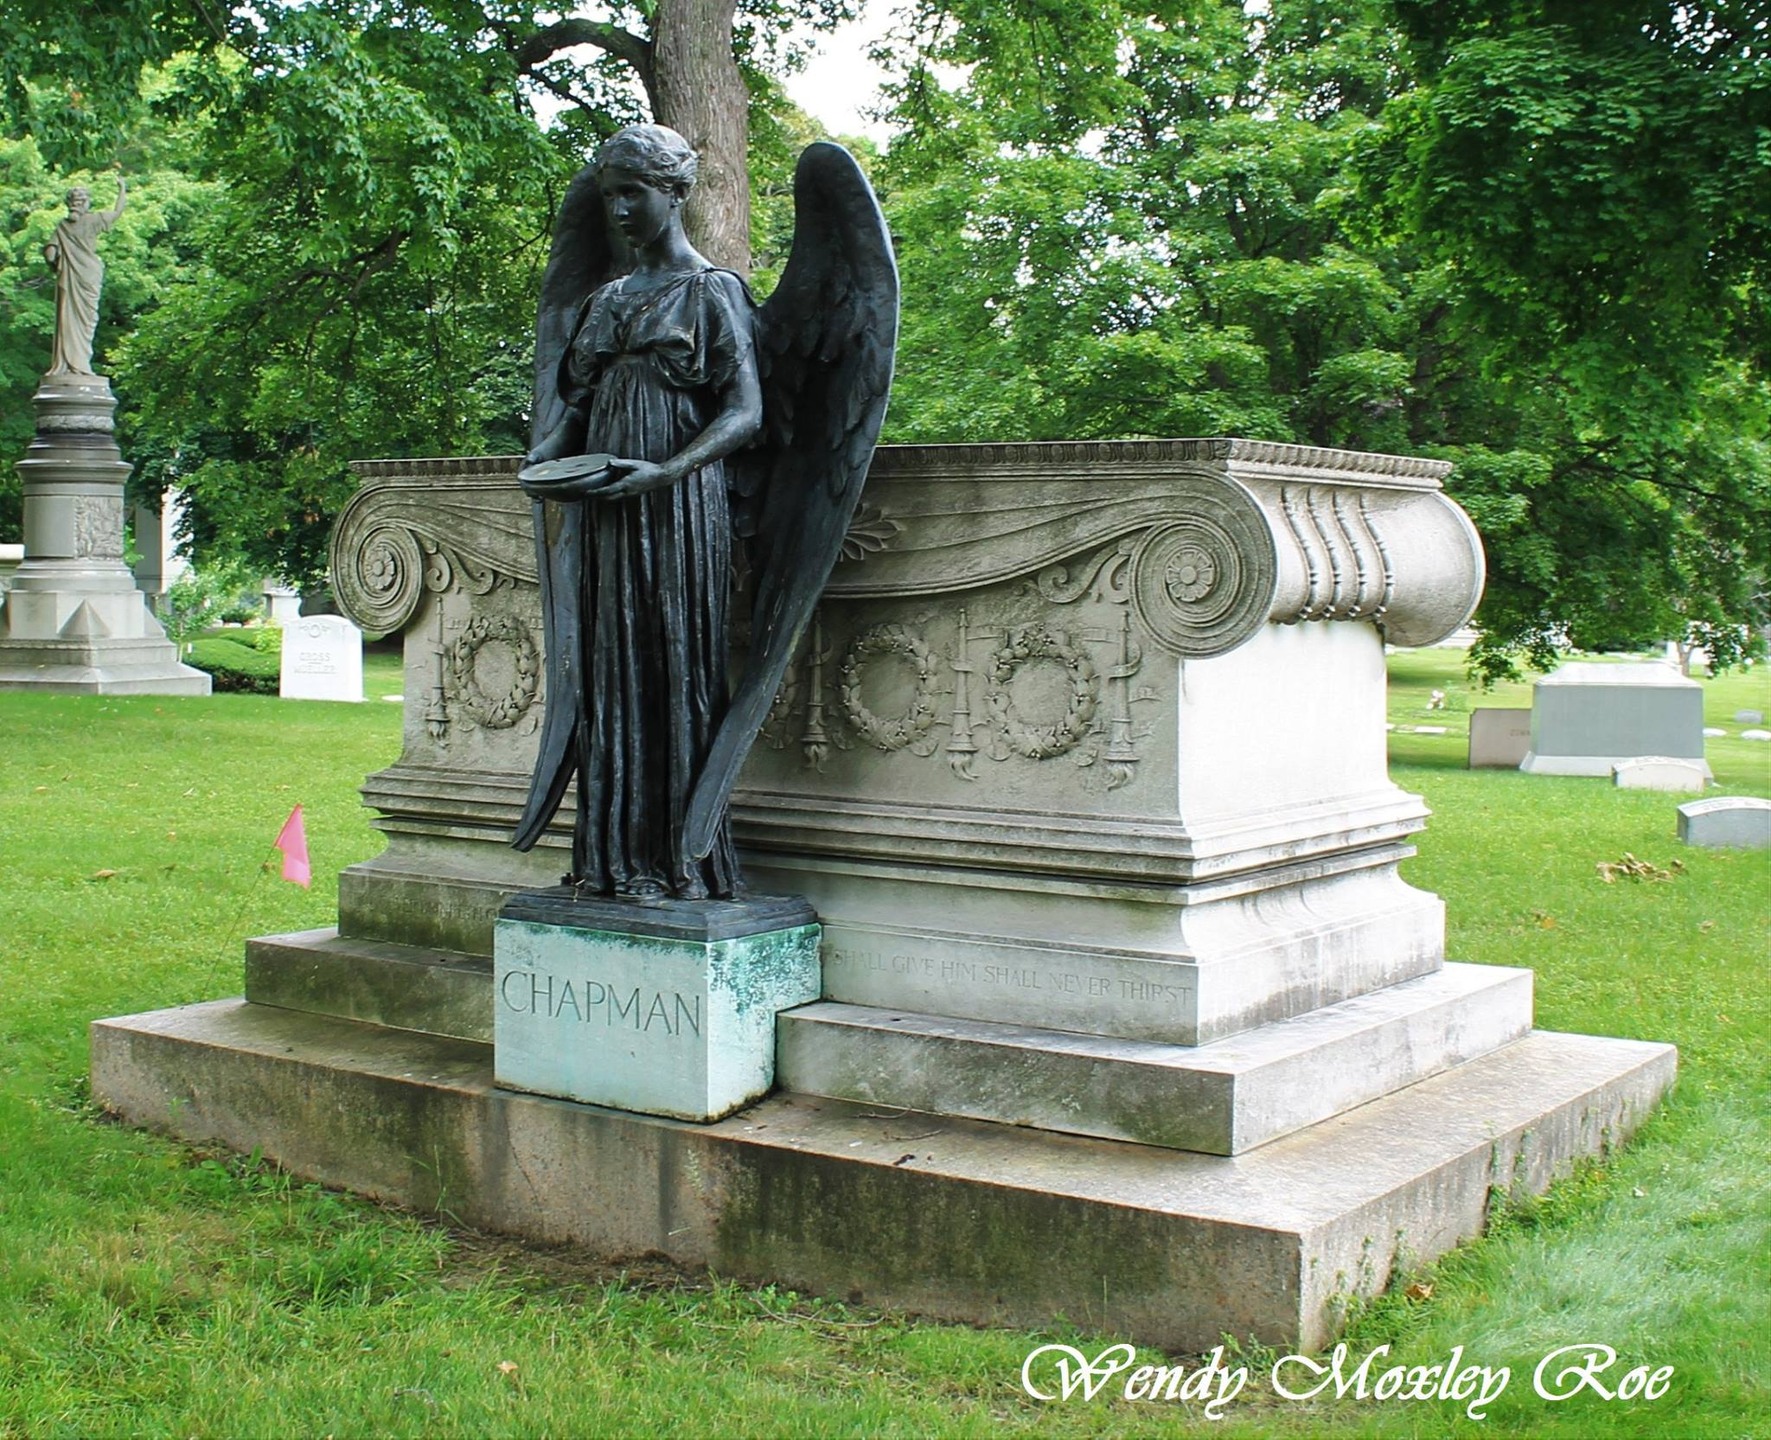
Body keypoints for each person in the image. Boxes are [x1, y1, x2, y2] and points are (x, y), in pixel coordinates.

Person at [521, 125, 763, 900]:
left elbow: (745, 413)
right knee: (609, 675)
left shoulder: (710, 292)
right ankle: (612, 861)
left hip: (680, 511)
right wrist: (543, 463)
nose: (620, 209)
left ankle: (680, 861)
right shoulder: (603, 302)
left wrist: (665, 470)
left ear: (675, 193)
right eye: (610, 194)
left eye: (636, 192)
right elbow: (574, 410)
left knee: (674, 670)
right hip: (604, 512)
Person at [44, 175, 126, 377]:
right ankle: (79, 363)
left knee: (70, 317)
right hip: (88, 273)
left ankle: (71, 363)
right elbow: (117, 212)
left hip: (75, 276)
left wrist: (55, 262)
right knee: (85, 320)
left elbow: (50, 252)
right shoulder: (93, 220)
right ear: (86, 204)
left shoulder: (62, 227)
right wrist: (122, 189)